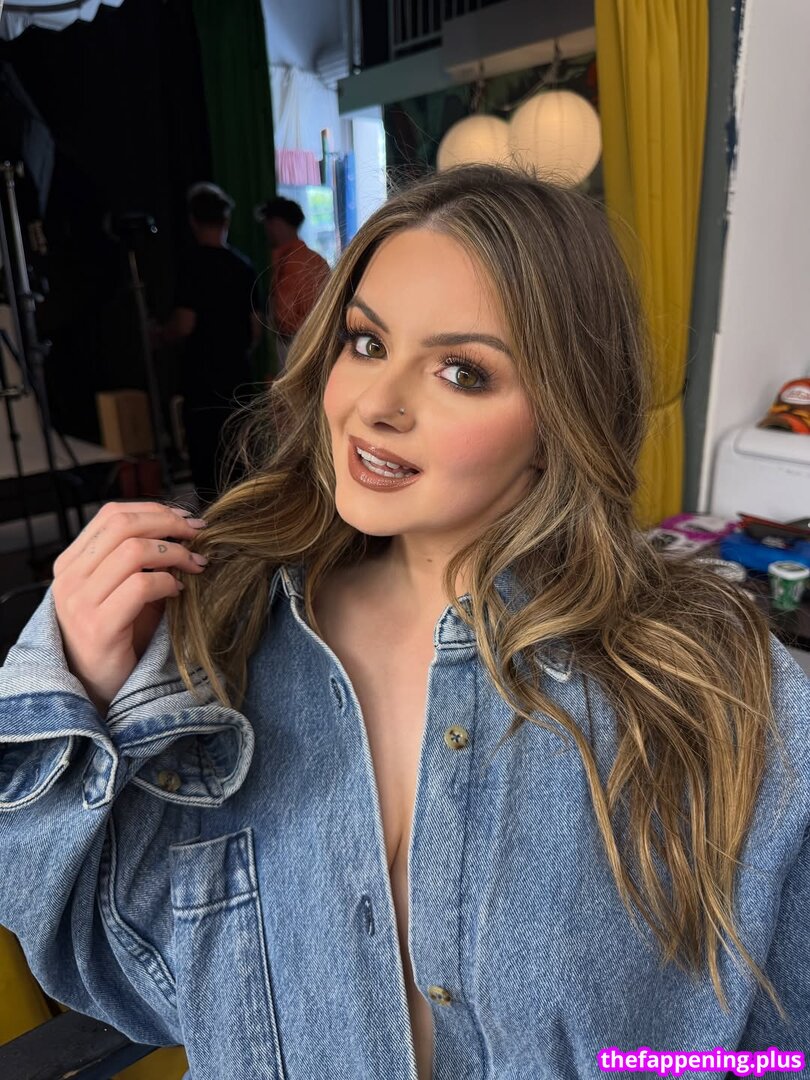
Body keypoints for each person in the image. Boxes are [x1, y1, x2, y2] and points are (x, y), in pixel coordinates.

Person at [0, 165, 808, 1080]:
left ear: (564, 414)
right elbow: (126, 972)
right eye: (367, 341)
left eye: (463, 372)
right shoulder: (216, 636)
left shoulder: (713, 688)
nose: (377, 407)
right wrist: (85, 690)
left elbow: (779, 1045)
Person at [154, 181, 262, 503]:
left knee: (207, 460)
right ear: (226, 220)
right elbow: (256, 329)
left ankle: (212, 525)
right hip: (238, 373)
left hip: (202, 374)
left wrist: (160, 335)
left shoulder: (190, 265)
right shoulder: (243, 266)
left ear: (193, 221)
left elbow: (184, 323)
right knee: (239, 457)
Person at [257, 194, 330, 368]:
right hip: (315, 346)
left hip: (296, 348)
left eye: (268, 224)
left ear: (277, 224)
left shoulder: (291, 263)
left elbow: (284, 319)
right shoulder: (314, 259)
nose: (266, 230)